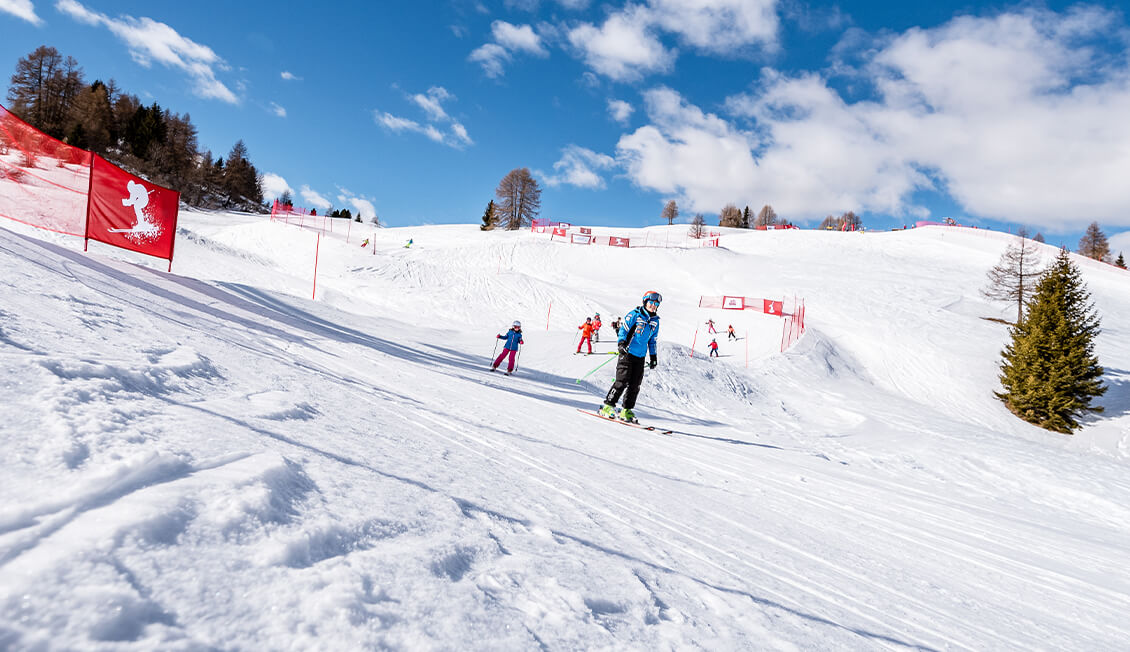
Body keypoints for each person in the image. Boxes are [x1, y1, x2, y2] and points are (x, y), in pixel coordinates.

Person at [599, 291, 661, 423]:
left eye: (656, 304)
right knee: (622, 381)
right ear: (645, 302)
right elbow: (624, 330)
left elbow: (652, 341)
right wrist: (621, 344)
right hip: (627, 353)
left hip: (640, 356)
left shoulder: (655, 321)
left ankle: (626, 410)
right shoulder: (635, 315)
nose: (653, 306)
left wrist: (653, 356)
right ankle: (607, 406)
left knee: (635, 384)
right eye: (651, 303)